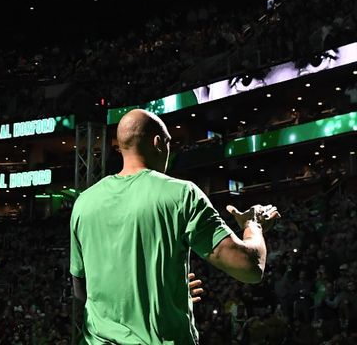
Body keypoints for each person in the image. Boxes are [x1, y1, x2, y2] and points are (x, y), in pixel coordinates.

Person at [70, 108, 280, 344]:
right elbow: (249, 267)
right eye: (171, 142)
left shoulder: (84, 203)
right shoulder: (181, 194)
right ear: (159, 142)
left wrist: (162, 296)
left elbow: (83, 291)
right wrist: (254, 225)